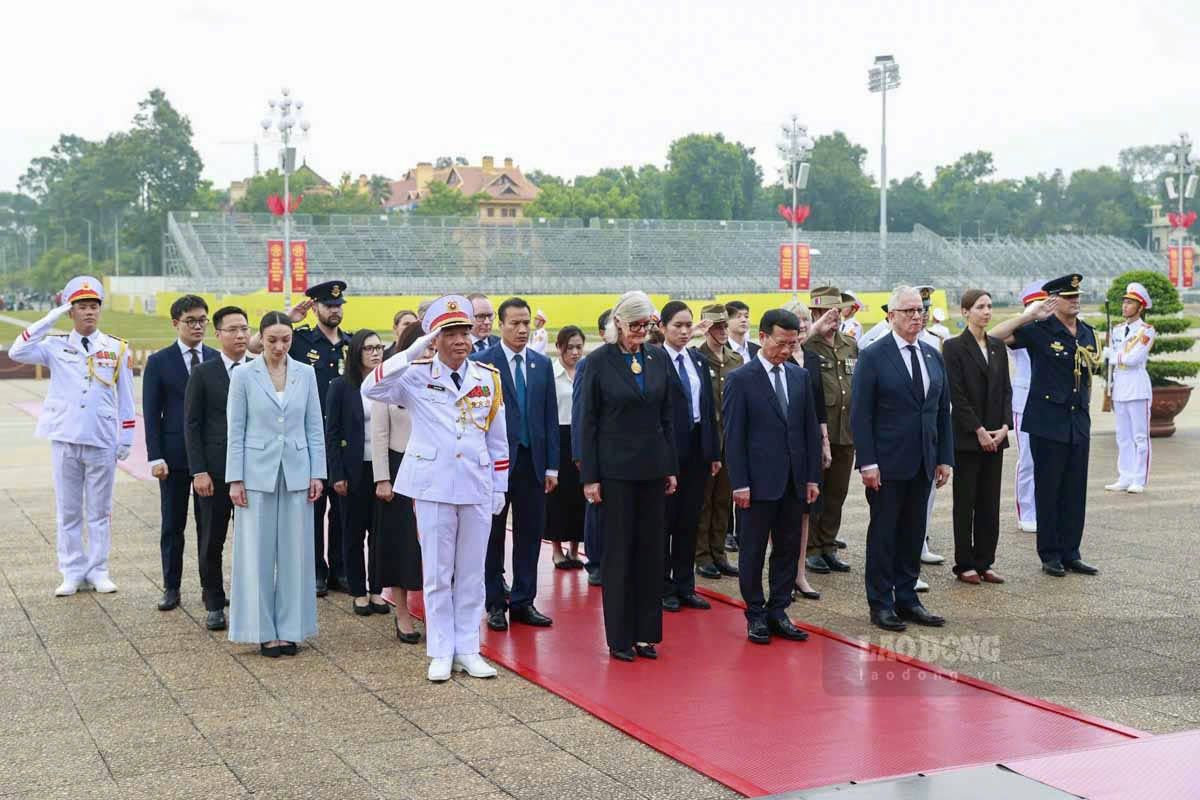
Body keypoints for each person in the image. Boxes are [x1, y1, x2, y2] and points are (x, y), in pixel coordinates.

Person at [362, 295, 509, 682]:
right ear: (435, 338)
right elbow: (371, 389)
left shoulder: (487, 377)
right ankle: (441, 650)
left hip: (476, 484)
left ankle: (468, 647)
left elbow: (498, 439)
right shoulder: (415, 375)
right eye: (451, 333)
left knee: (472, 572)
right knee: (438, 574)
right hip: (434, 486)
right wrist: (408, 353)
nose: (461, 340)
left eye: (464, 332)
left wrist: (499, 486)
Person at [9, 276, 133, 596]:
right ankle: (71, 570)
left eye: (94, 307)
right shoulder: (54, 345)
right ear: (70, 311)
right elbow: (17, 351)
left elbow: (126, 396)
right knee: (68, 510)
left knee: (100, 510)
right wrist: (50, 317)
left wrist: (127, 437)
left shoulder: (117, 348)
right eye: (81, 307)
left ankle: (98, 569)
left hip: (102, 438)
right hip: (65, 436)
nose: (89, 313)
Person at [579, 291, 678, 662]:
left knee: (651, 554)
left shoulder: (656, 357)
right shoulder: (599, 362)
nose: (640, 332)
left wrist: (670, 467)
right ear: (617, 324)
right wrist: (590, 476)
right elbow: (587, 422)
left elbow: (667, 415)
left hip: (652, 470)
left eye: (645, 325)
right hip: (615, 472)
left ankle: (646, 633)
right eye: (634, 325)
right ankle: (620, 637)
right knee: (619, 555)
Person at [851, 286, 953, 632]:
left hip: (924, 460)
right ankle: (881, 603)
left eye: (920, 309)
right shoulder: (874, 355)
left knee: (913, 533)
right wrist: (867, 462)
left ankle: (908, 598)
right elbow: (861, 414)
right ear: (891, 315)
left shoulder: (931, 354)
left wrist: (944, 457)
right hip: (887, 462)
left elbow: (941, 412)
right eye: (908, 310)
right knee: (884, 534)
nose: (916, 315)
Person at [226, 311, 326, 657]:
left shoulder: (306, 374)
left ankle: (291, 628)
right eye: (272, 340)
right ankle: (260, 629)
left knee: (296, 553)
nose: (279, 346)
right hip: (256, 471)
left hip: (298, 468)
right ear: (260, 338)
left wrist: (318, 473)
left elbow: (315, 426)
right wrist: (234, 478)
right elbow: (235, 429)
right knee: (256, 553)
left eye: (286, 339)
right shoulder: (243, 375)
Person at [990, 274, 1102, 578]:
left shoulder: (1087, 333)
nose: (1075, 300)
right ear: (1053, 300)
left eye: (1077, 295)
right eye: (1068, 296)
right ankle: (1050, 553)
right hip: (1047, 422)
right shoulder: (1038, 331)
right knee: (1049, 488)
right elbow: (993, 337)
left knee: (1074, 490)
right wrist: (1028, 315)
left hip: (1077, 420)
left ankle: (1071, 552)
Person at [723, 308, 821, 644]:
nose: (786, 351)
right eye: (781, 343)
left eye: (793, 345)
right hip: (757, 484)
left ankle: (780, 610)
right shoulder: (740, 379)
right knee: (752, 551)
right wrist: (740, 483)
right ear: (762, 337)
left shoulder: (799, 377)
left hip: (793, 483)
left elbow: (808, 432)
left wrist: (811, 478)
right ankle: (755, 613)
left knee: (788, 549)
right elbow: (733, 438)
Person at [254, 280, 354, 596]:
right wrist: (289, 318)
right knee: (313, 508)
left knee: (343, 510)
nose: (335, 311)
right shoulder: (299, 340)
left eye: (338, 306)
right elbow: (256, 347)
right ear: (317, 307)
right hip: (310, 437)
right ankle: (315, 571)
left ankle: (340, 569)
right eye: (328, 306)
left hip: (343, 440)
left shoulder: (350, 344)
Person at [471, 297, 559, 631]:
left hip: (533, 463)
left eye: (526, 323)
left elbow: (549, 417)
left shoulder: (540, 363)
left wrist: (552, 466)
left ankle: (524, 600)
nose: (522, 329)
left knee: (530, 534)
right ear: (501, 325)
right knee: (492, 535)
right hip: (495, 465)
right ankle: (495, 602)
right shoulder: (482, 363)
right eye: (514, 324)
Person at [144, 295, 218, 612]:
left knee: (210, 527)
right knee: (173, 525)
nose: (198, 325)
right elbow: (151, 412)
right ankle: (171, 587)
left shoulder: (216, 358)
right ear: (176, 323)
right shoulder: (160, 361)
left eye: (202, 320)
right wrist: (154, 456)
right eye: (191, 320)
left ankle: (209, 588)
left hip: (210, 457)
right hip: (173, 457)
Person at [184, 305, 251, 630]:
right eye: (233, 329)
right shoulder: (204, 373)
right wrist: (199, 471)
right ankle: (213, 601)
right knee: (212, 539)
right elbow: (192, 425)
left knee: (251, 539)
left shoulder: (258, 369)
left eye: (244, 329)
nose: (240, 335)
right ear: (218, 334)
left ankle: (249, 598)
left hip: (253, 472)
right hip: (215, 472)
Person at [942, 290, 1011, 585]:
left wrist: (1005, 426)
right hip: (969, 438)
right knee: (966, 501)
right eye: (980, 307)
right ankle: (965, 563)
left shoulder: (997, 346)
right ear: (965, 311)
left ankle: (986, 560)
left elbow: (1006, 390)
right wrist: (978, 430)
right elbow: (956, 394)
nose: (986, 312)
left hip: (996, 437)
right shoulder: (954, 347)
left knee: (989, 502)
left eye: (989, 307)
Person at [659, 302, 721, 612]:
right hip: (669, 453)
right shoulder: (656, 360)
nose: (684, 332)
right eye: (677, 326)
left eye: (687, 326)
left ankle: (685, 584)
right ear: (663, 328)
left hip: (697, 451)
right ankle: (664, 586)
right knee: (666, 521)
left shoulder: (697, 360)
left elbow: (708, 409)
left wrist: (713, 451)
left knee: (689, 520)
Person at [370, 322, 426, 643]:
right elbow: (379, 432)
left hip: (434, 469)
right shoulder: (392, 377)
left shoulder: (444, 378)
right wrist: (382, 478)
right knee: (402, 545)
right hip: (399, 466)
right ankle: (403, 613)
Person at [326, 330, 388, 616]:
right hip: (353, 470)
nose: (376, 353)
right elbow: (332, 433)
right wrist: (336, 473)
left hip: (383, 469)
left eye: (379, 347)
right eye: (369, 348)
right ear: (356, 353)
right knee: (353, 532)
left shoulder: (389, 384)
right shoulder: (341, 386)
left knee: (380, 534)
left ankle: (377, 590)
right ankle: (358, 590)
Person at [802, 287, 857, 579]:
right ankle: (810, 548)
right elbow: (793, 350)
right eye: (825, 313)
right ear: (814, 314)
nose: (832, 318)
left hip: (845, 430)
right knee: (816, 492)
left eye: (836, 312)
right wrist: (814, 329)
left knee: (838, 492)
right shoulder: (807, 345)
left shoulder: (849, 344)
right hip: (816, 431)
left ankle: (827, 545)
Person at [785, 302, 837, 600]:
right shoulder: (774, 357)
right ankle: (781, 574)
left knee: (805, 511)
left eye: (806, 320)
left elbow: (819, 406)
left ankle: (800, 574)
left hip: (810, 441)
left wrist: (825, 442)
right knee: (781, 514)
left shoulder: (813, 359)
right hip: (784, 444)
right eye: (797, 321)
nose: (803, 325)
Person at [693, 304, 742, 581]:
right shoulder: (697, 357)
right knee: (704, 500)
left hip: (730, 439)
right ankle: (702, 555)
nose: (722, 331)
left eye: (725, 326)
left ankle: (719, 552)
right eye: (716, 327)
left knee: (723, 499)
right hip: (707, 440)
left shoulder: (736, 359)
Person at [573, 309, 612, 586]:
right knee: (597, 508)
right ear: (602, 333)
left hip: (624, 451)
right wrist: (581, 455)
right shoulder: (590, 364)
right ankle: (595, 562)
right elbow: (580, 412)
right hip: (597, 451)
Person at [1104, 282, 1155, 494]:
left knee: (1140, 437)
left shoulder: (1146, 331)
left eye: (1130, 303)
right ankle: (1124, 476)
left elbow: (1133, 359)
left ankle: (1139, 479)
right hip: (1120, 387)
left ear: (1140, 307)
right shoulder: (1116, 329)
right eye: (1124, 302)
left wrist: (1112, 356)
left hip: (1137, 386)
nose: (1125, 306)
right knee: (1122, 435)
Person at [546, 326, 587, 568]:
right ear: (560, 347)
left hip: (580, 436)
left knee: (579, 496)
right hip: (559, 436)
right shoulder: (551, 373)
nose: (574, 352)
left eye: (579, 347)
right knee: (558, 497)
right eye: (569, 347)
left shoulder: (586, 370)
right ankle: (556, 549)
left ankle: (575, 548)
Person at [1010, 281, 1047, 533]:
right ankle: (1027, 511)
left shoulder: (1052, 330)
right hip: (1024, 402)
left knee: (1047, 460)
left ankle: (1044, 509)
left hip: (1049, 402)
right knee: (1027, 460)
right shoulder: (1020, 333)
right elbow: (996, 337)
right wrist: (1027, 317)